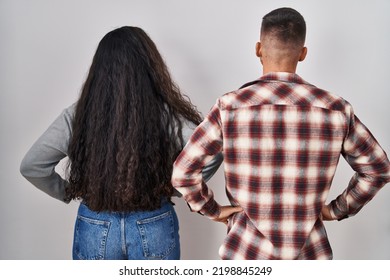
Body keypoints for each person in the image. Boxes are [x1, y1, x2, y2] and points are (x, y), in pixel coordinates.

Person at [171, 7, 390, 259]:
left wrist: (212, 209)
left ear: (258, 49)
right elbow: (378, 169)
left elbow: (183, 173)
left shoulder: (229, 107)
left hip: (246, 254)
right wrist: (336, 210)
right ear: (303, 53)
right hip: (310, 256)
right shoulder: (336, 108)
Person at [20, 26, 222, 260]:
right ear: (150, 67)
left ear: (99, 69)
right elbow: (213, 149)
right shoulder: (167, 116)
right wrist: (177, 188)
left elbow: (32, 166)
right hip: (154, 221)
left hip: (94, 224)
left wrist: (67, 192)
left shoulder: (76, 116)